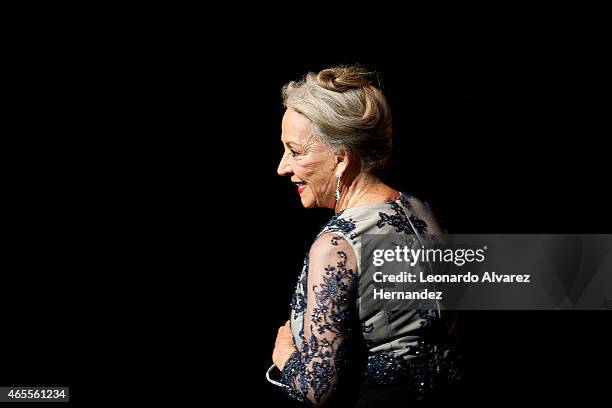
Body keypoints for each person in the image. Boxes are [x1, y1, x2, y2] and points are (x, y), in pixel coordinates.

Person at [269, 65, 459, 407]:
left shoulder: (337, 244)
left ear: (341, 159)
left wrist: (284, 357)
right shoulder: (421, 210)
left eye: (295, 152)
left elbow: (317, 388)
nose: (282, 167)